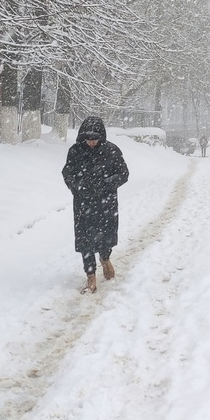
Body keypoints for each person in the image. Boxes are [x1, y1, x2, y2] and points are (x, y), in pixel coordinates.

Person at [62, 116, 129, 294]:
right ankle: (90, 276)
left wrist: (106, 184)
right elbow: (68, 173)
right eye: (88, 139)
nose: (91, 143)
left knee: (105, 237)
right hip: (84, 204)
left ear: (101, 137)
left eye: (95, 139)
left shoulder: (112, 151)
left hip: (106, 204)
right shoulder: (75, 152)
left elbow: (123, 173)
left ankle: (105, 258)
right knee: (85, 241)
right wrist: (77, 187)